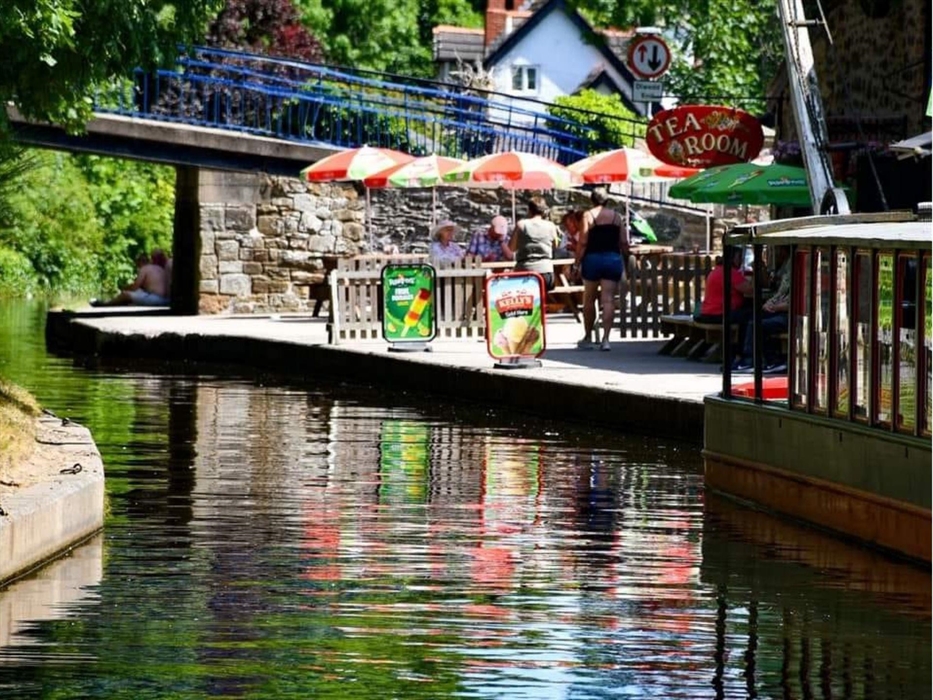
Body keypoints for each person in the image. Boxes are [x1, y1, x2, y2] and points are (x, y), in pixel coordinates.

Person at [575, 187, 629, 351]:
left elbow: (583, 241)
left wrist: (577, 263)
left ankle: (588, 336)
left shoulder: (588, 215)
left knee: (589, 299)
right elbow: (624, 242)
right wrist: (626, 259)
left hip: (593, 258)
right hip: (612, 259)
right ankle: (606, 339)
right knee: (608, 300)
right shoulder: (617, 217)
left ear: (591, 199)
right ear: (607, 200)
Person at [732, 246, 791, 373]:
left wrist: (775, 306)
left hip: (789, 315)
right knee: (750, 318)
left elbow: (794, 302)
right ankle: (745, 357)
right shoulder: (785, 274)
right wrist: (770, 303)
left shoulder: (799, 279)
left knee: (757, 323)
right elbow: (779, 293)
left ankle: (769, 360)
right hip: (779, 309)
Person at [504, 195, 560, 290]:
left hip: (524, 272)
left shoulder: (521, 225)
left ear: (529, 210)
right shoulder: (551, 226)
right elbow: (556, 246)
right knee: (542, 298)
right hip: (546, 273)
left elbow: (511, 248)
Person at [695, 247, 753, 326]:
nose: (741, 261)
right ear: (732, 258)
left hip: (708, 313)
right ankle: (745, 338)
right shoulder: (730, 272)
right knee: (754, 315)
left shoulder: (716, 270)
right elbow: (750, 289)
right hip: (720, 313)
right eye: (739, 257)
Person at [91, 249, 169, 307]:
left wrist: (124, 289)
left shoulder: (145, 268)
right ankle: (119, 303)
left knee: (126, 295)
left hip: (156, 299)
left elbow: (135, 287)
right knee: (133, 298)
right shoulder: (161, 268)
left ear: (140, 263)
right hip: (166, 300)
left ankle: (105, 304)